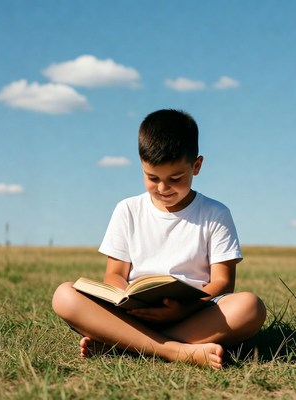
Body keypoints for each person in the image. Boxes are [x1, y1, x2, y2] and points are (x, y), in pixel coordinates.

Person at [52, 109, 266, 369]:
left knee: (250, 307)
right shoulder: (127, 210)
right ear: (141, 164)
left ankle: (123, 343)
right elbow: (115, 274)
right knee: (64, 295)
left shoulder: (215, 213)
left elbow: (222, 282)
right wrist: (126, 299)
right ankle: (174, 350)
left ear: (196, 166)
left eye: (175, 179)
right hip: (134, 314)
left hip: (193, 314)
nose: (163, 188)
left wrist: (184, 309)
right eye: (152, 178)